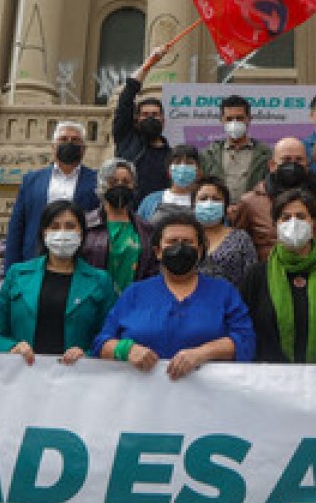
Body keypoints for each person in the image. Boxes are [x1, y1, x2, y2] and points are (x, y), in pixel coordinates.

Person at [93, 212, 256, 378]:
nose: (180, 247)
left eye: (188, 242)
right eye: (172, 242)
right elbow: (102, 343)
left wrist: (203, 353)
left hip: (206, 399)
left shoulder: (224, 292)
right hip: (141, 398)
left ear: (199, 250)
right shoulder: (135, 293)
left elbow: (245, 341)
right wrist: (126, 349)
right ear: (157, 251)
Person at [0, 200, 117, 366]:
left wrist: (87, 355)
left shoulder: (100, 280)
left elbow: (110, 338)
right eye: (55, 227)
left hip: (78, 379)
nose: (62, 233)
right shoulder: (17, 274)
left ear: (82, 233)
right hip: (22, 377)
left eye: (70, 226)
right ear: (43, 233)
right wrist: (12, 348)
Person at [240, 188, 316, 363]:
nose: (293, 223)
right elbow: (246, 332)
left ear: (313, 222)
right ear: (275, 225)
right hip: (269, 381)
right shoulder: (256, 276)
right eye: (286, 217)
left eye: (301, 216)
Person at [4, 121, 100, 271]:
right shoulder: (31, 181)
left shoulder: (97, 182)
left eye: (75, 140)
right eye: (63, 139)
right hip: (34, 261)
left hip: (80, 264)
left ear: (84, 149)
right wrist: (10, 269)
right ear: (53, 146)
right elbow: (17, 226)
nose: (69, 143)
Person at [236, 136, 316, 262]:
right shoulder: (250, 203)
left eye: (299, 160)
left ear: (307, 165)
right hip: (268, 276)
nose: (292, 165)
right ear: (272, 165)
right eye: (286, 160)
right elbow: (241, 249)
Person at [112, 42, 175, 205]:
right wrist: (149, 63)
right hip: (127, 213)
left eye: (155, 115)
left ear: (163, 120)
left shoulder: (172, 156)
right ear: (137, 119)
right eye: (145, 115)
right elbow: (127, 96)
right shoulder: (126, 139)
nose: (150, 118)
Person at [81, 158, 157, 291]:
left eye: (126, 182)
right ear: (103, 185)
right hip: (93, 299)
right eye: (113, 182)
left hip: (133, 301)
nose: (120, 186)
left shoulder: (145, 229)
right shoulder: (85, 225)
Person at [199, 94, 272, 204]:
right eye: (229, 119)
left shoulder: (265, 154)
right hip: (218, 213)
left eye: (239, 118)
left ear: (249, 119)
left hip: (252, 214)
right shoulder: (209, 154)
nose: (234, 123)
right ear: (222, 120)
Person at [193, 177, 258, 287]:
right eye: (203, 198)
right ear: (193, 205)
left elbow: (252, 280)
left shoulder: (240, 239)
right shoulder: (184, 238)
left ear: (225, 206)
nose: (209, 204)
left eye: (216, 199)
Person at [137, 144, 200, 225]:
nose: (183, 167)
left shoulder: (204, 200)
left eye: (189, 163)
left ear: (198, 170)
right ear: (168, 170)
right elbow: (139, 230)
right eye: (177, 162)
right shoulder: (150, 201)